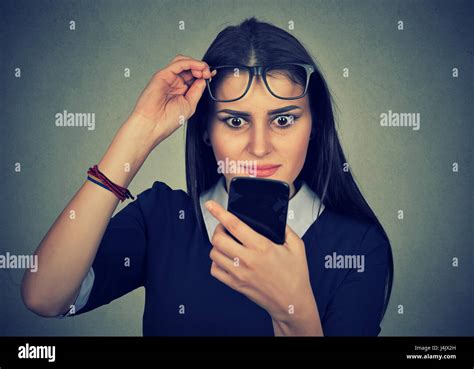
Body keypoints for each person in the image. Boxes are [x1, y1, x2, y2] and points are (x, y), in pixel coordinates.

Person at [21, 17, 393, 336]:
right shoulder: (164, 218)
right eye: (235, 120)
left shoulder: (358, 246)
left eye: (283, 120)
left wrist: (294, 313)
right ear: (204, 130)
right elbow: (45, 297)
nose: (259, 147)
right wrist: (141, 130)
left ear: (313, 126)